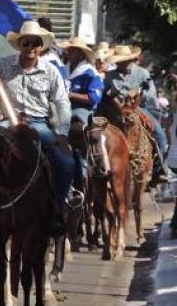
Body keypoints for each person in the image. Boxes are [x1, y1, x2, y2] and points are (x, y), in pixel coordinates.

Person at [0, 20, 74, 236]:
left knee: (66, 161)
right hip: (8, 122)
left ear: (41, 47)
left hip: (38, 122)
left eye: (36, 43)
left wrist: (62, 133)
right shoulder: (2, 65)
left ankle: (57, 208)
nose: (31, 47)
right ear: (19, 44)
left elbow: (62, 103)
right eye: (27, 42)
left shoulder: (51, 72)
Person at [104, 45, 169, 183]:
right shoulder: (110, 75)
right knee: (99, 136)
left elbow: (151, 93)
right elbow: (105, 93)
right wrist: (112, 97)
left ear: (130, 60)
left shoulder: (143, 74)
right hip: (116, 110)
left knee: (160, 136)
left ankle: (158, 171)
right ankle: (101, 167)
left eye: (122, 60)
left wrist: (137, 91)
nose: (119, 63)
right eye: (118, 60)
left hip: (139, 108)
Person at [60, 37, 104, 195]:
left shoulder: (90, 72)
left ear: (81, 53)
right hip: (61, 108)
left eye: (73, 51)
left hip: (81, 109)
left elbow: (93, 98)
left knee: (80, 127)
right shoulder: (62, 69)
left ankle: (88, 162)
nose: (70, 53)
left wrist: (70, 95)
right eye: (69, 50)